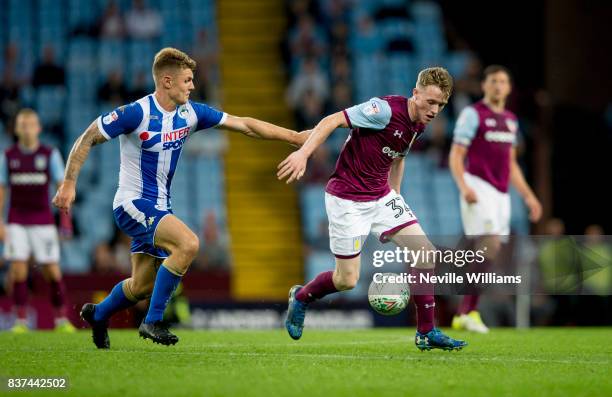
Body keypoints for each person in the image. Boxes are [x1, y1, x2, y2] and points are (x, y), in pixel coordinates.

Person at [53, 47, 308, 348]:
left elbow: (245, 125)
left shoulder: (190, 114)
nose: (193, 86)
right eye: (187, 80)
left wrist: (294, 137)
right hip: (132, 204)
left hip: (160, 207)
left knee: (141, 286)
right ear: (167, 81)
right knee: (188, 243)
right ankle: (153, 321)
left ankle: (99, 314)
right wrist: (69, 183)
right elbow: (87, 137)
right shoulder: (137, 113)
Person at [278, 67, 467, 351]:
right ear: (415, 94)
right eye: (430, 101)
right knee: (346, 279)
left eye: (440, 105)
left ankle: (426, 331)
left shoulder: (420, 123)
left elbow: (399, 157)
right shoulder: (383, 110)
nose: (435, 109)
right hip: (347, 200)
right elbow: (331, 120)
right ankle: (302, 297)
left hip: (381, 197)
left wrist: (397, 198)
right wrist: (303, 154)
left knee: (425, 252)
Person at [449, 65, 542, 333]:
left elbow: (511, 164)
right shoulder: (472, 114)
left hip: (502, 193)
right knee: (488, 244)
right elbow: (456, 155)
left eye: (503, 81)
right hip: (478, 185)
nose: (498, 86)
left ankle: (466, 310)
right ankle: (468, 310)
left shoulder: (511, 120)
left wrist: (529, 196)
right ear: (485, 86)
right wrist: (464, 185)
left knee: (491, 249)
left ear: (509, 87)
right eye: (493, 81)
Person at [0, 108, 74, 333]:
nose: (27, 128)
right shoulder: (8, 156)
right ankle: (20, 320)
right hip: (16, 221)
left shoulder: (50, 154)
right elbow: (2, 190)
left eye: (31, 124)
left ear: (38, 128)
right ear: (16, 129)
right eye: (22, 124)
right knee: (18, 269)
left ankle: (61, 319)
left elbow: (63, 188)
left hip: (43, 221)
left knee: (52, 271)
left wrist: (65, 220)